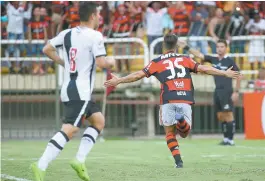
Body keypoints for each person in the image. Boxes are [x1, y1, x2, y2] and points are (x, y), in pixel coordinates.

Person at [104, 33, 240, 168]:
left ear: (163, 45)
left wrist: (119, 80)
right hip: (184, 98)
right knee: (184, 133)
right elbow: (204, 68)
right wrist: (224, 73)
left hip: (168, 99)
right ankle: (181, 120)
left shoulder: (156, 62)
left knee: (169, 133)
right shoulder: (185, 59)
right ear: (176, 46)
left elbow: (138, 75)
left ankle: (178, 162)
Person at [31, 2, 115, 181]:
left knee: (98, 121)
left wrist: (63, 63)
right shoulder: (95, 36)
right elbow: (101, 63)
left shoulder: (67, 33)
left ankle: (79, 160)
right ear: (93, 15)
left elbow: (47, 48)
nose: (100, 18)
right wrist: (112, 62)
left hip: (70, 87)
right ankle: (40, 164)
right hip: (81, 90)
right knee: (70, 129)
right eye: (98, 15)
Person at [178, 39, 241, 146]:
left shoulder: (230, 61)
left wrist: (236, 92)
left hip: (227, 91)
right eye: (218, 47)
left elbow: (239, 75)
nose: (219, 49)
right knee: (220, 115)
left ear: (226, 48)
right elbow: (200, 56)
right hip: (217, 90)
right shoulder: (214, 59)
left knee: (228, 114)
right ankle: (225, 139)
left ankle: (231, 140)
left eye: (222, 47)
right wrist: (186, 47)